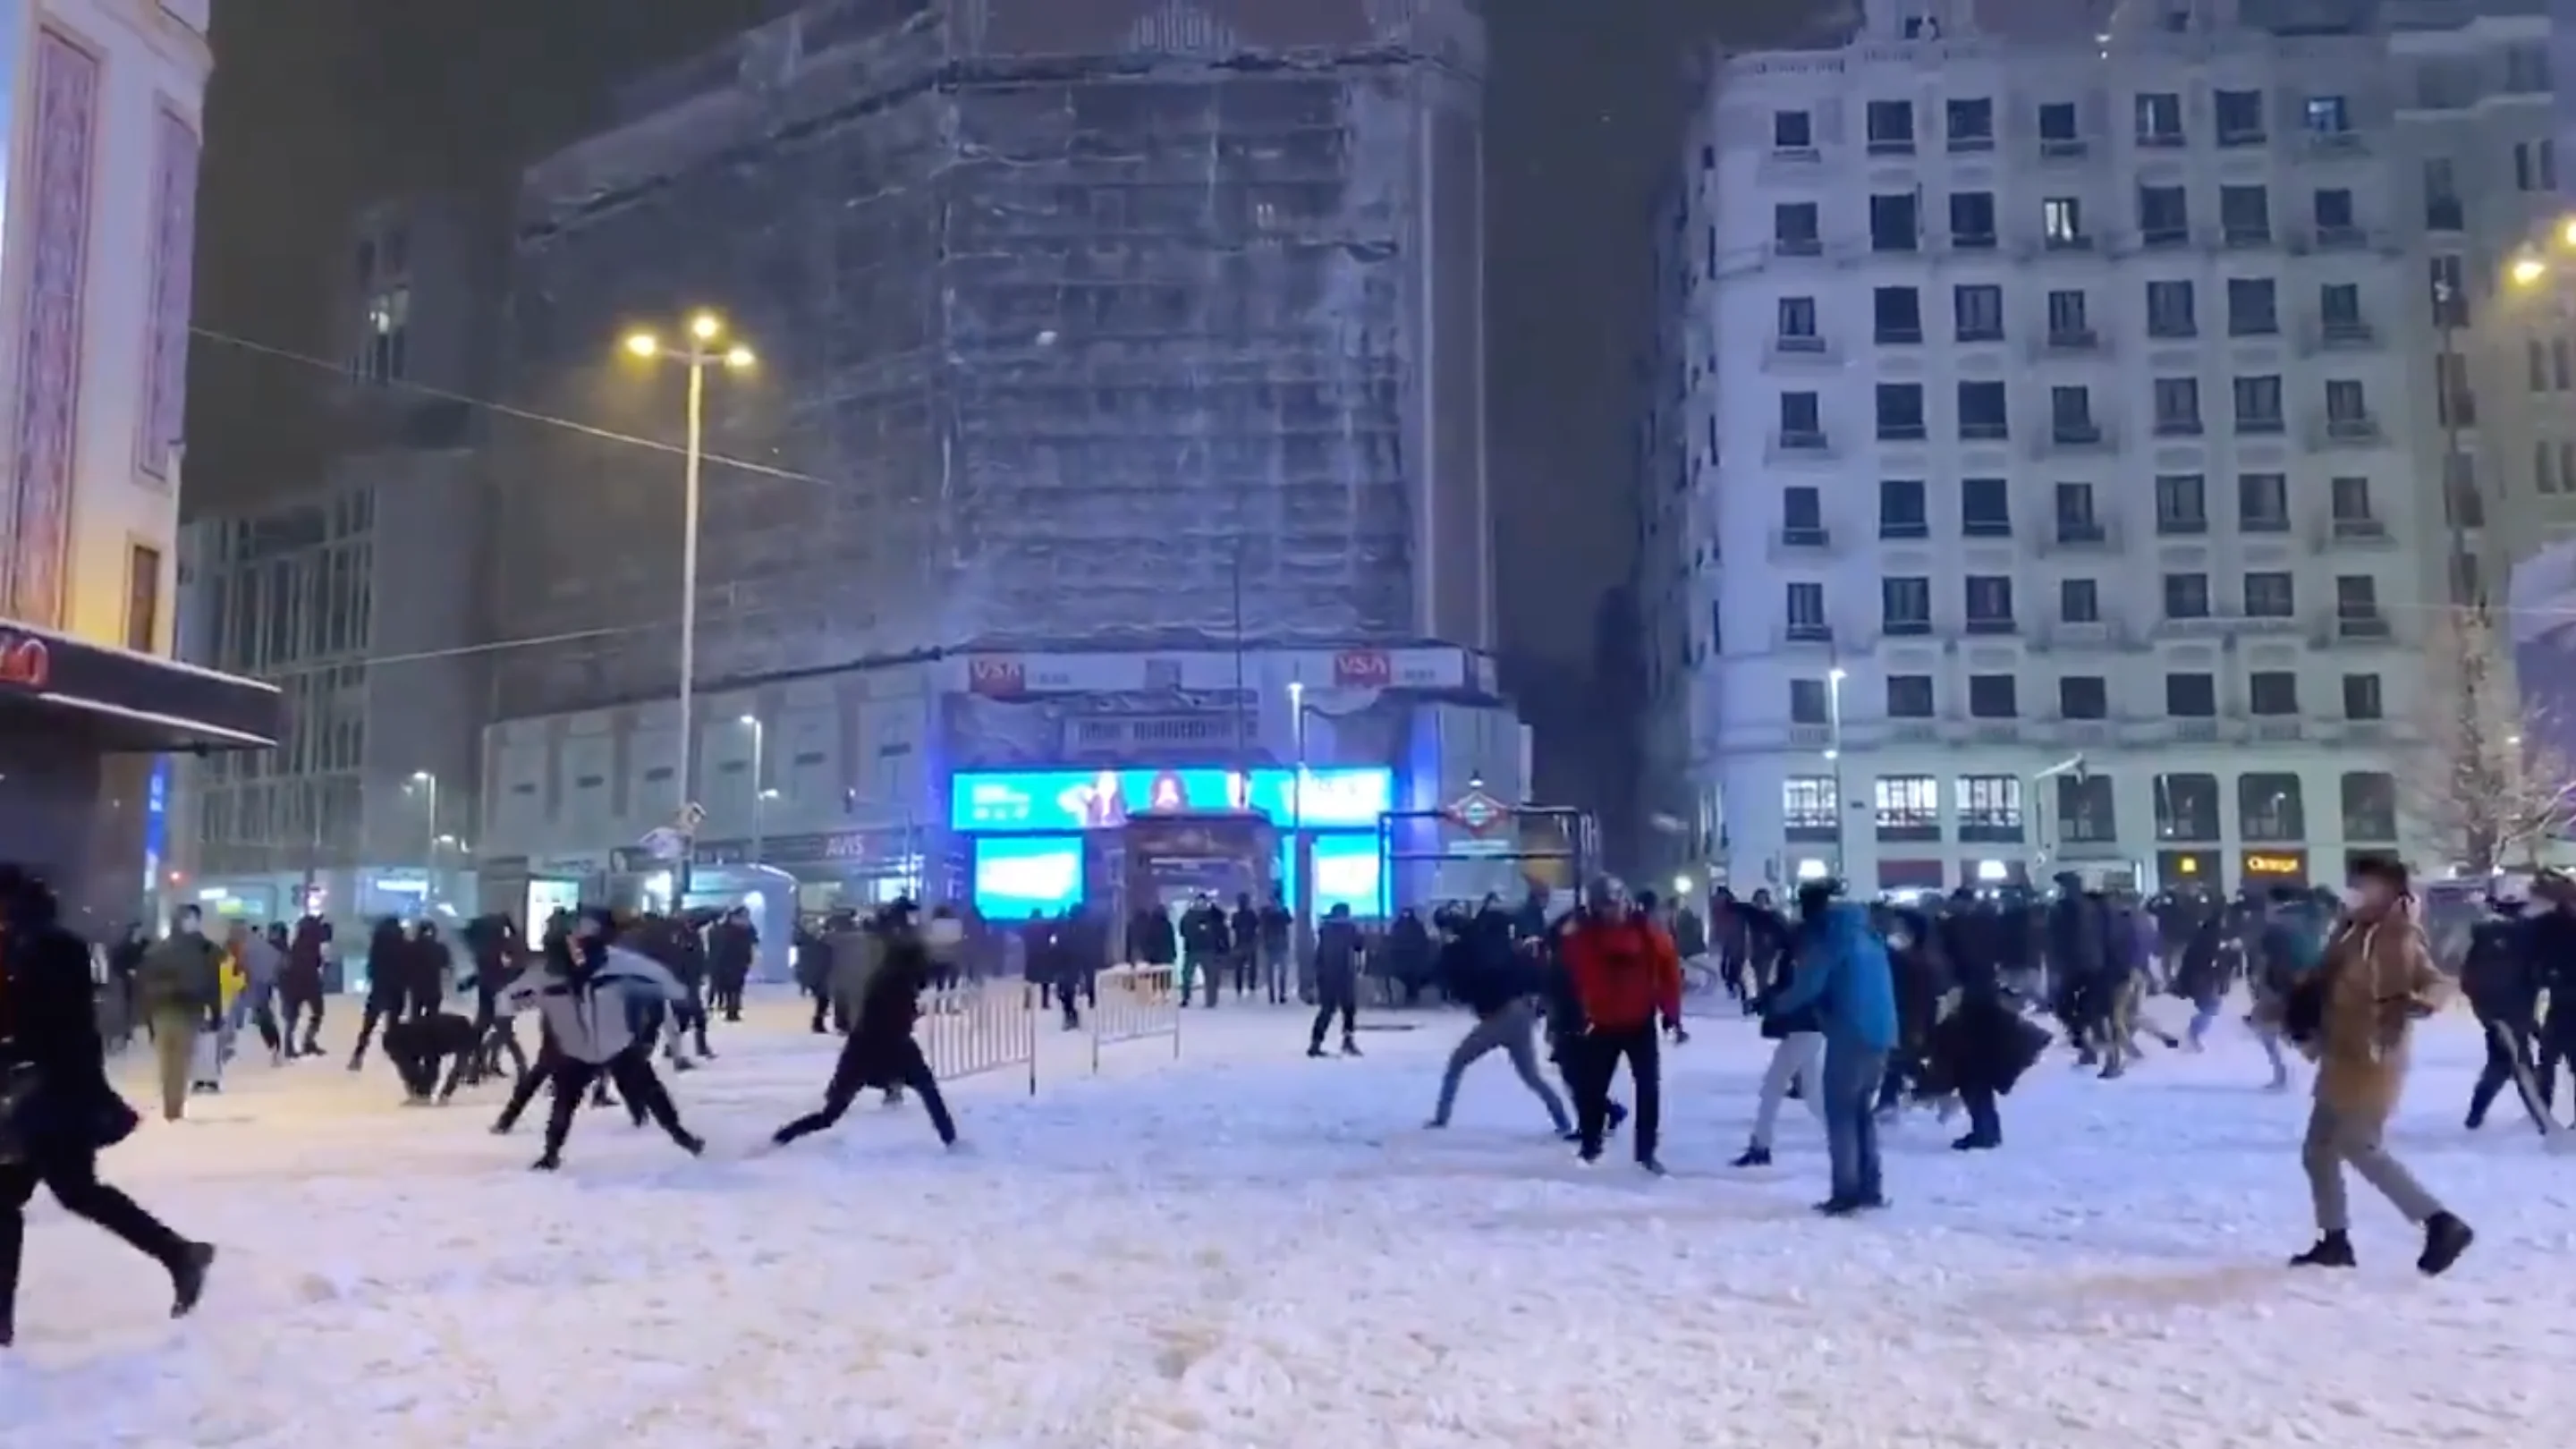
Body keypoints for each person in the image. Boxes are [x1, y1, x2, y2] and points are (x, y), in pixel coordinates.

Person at [0, 867, 213, 1347]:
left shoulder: (41, 949)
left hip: (49, 1095)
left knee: (26, 1197)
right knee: (67, 1192)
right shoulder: (42, 944)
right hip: (52, 1093)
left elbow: (50, 1023)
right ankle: (179, 1253)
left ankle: (179, 1253)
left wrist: (14, 1052)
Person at [2277, 860, 2473, 1275]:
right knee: (2318, 1150)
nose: (2357, 891)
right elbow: (2324, 982)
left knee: (2357, 1144)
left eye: (2366, 885)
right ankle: (2334, 1240)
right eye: (2356, 884)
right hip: (2339, 1054)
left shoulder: (2397, 936)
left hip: (2374, 1056)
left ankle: (2441, 1222)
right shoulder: (2351, 932)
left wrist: (2422, 1003)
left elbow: (2435, 980)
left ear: (2389, 891)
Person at [507, 909, 705, 1171]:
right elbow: (521, 996)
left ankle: (680, 1134)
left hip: (610, 1039)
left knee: (644, 1088)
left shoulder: (615, 964)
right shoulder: (557, 968)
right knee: (569, 1098)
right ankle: (551, 1151)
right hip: (581, 1042)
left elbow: (650, 984)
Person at [772, 902, 958, 1149]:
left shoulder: (895, 970)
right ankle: (780, 1139)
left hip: (876, 1046)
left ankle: (951, 1139)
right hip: (877, 1047)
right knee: (833, 1113)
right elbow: (902, 995)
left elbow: (913, 981)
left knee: (833, 1113)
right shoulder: (895, 974)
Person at [1761, 884, 1896, 1215]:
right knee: (1862, 1111)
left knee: (1841, 1113)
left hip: (1850, 1032)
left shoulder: (1831, 940)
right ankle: (1870, 1187)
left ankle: (1845, 1192)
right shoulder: (1870, 936)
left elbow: (1808, 986)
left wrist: (1774, 1005)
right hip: (1883, 1033)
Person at [1558, 878, 1684, 1173]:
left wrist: (1671, 1012)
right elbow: (1569, 969)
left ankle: (1645, 1151)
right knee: (1592, 1087)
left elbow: (1669, 972)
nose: (1611, 912)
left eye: (1614, 905)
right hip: (1603, 1021)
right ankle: (1591, 1144)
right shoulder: (1585, 935)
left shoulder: (1647, 932)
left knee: (1647, 1088)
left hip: (1639, 1020)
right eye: (1605, 907)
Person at [1426, 908, 1569, 1134]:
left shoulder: (1459, 951)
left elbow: (1448, 978)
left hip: (1500, 1017)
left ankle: (1441, 1118)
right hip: (1518, 1012)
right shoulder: (1486, 940)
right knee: (1531, 1076)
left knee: (1457, 1061)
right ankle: (1563, 1121)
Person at [134, 908, 222, 1121]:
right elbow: (212, 983)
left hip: (161, 1010)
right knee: (181, 1060)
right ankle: (175, 1108)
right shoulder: (203, 949)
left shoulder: (156, 950)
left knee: (167, 1060)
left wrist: (146, 1017)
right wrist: (216, 1013)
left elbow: (144, 985)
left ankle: (169, 1105)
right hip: (189, 1010)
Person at [1306, 903, 1366, 1058]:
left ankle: (1316, 1042)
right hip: (1344, 973)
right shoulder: (1349, 929)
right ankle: (1347, 1040)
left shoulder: (1325, 929)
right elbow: (1359, 945)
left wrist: (1316, 974)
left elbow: (1319, 954)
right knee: (1348, 1009)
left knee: (1327, 1009)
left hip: (1326, 974)